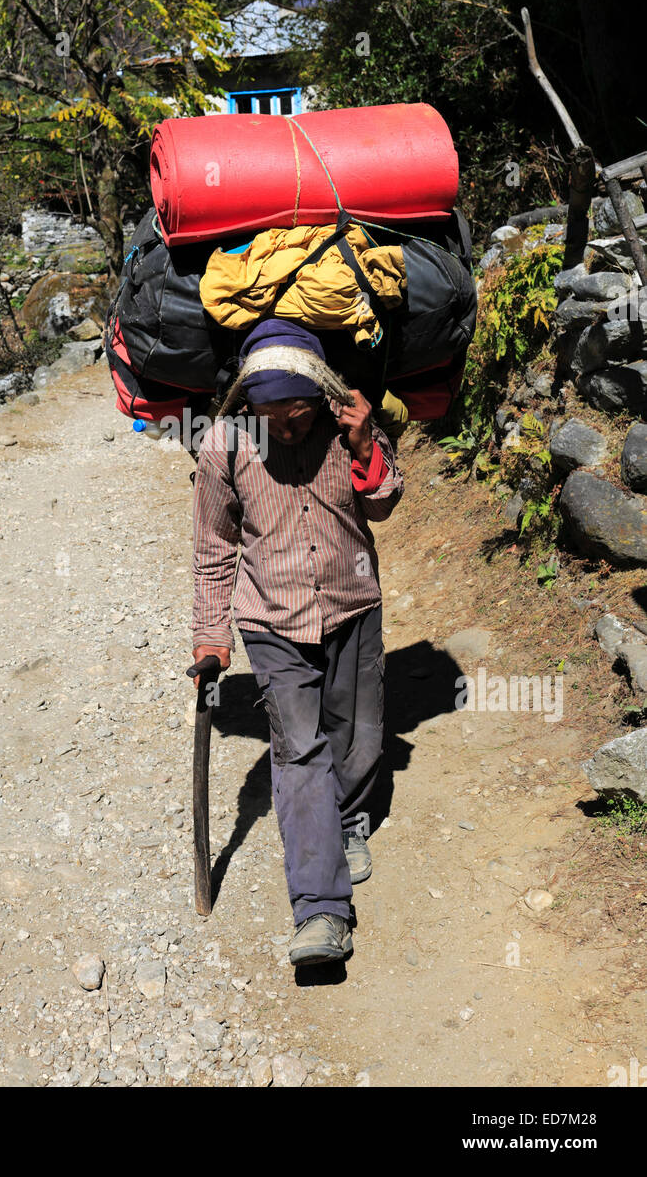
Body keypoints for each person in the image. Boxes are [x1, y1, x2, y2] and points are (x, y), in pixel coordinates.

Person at [191, 319, 404, 967]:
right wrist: (211, 636)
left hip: (352, 607)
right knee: (300, 754)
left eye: (299, 413)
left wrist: (366, 444)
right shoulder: (223, 445)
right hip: (272, 623)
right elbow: (213, 548)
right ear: (247, 403)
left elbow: (386, 502)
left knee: (361, 738)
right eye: (271, 415)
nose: (286, 426)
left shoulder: (350, 425)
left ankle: (350, 821)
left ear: (322, 396)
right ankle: (319, 910)